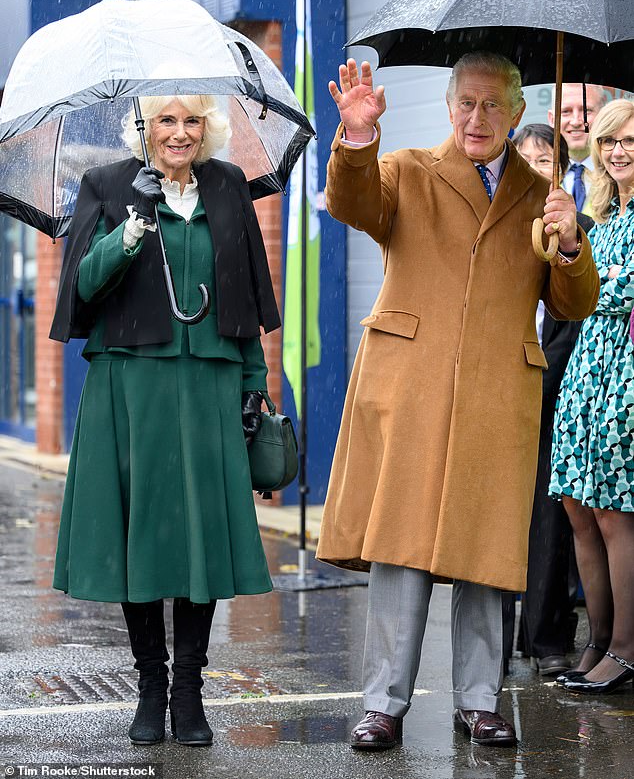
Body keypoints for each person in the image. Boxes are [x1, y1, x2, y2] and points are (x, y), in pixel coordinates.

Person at [316, 52, 599, 750]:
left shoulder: (542, 193)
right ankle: (383, 702)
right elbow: (352, 204)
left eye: (493, 106)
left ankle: (480, 700)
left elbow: (575, 301)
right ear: (449, 108)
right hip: (410, 384)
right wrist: (355, 136)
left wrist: (569, 244)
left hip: (496, 388)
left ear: (515, 112)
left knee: (486, 550)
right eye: (465, 104)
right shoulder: (407, 168)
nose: (477, 118)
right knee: (401, 546)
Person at [49, 94, 281, 746]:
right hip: (133, 388)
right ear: (142, 128)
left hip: (208, 383)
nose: (179, 132)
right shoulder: (108, 184)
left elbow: (244, 293)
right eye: (166, 120)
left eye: (191, 120)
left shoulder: (228, 187)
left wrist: (254, 383)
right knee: (142, 537)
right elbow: (85, 285)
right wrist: (131, 226)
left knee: (200, 538)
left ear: (208, 128)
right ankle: (151, 685)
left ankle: (189, 692)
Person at [550, 99, 634, 694]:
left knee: (614, 515)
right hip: (588, 367)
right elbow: (568, 291)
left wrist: (585, 275)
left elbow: (610, 290)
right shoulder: (600, 213)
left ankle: (627, 650)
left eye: (630, 140)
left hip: (627, 372)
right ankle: (598, 640)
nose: (619, 150)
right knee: (578, 508)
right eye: (609, 142)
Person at [505, 124, 594, 676]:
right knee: (494, 515)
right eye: (527, 158)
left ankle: (543, 639)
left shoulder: (576, 230)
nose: (537, 167)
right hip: (500, 385)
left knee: (547, 517)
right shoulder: (500, 225)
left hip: (552, 388)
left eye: (547, 159)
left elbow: (576, 315)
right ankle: (489, 647)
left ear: (562, 170)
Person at [548, 83, 607, 217]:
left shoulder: (623, 176)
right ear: (552, 119)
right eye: (566, 111)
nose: (576, 121)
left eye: (586, 111)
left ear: (603, 116)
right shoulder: (538, 175)